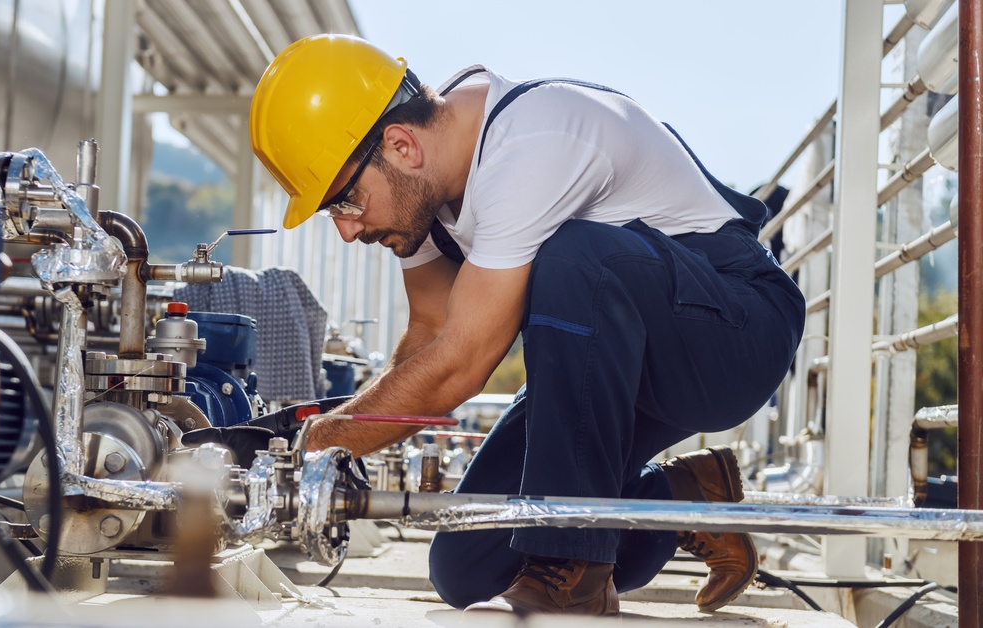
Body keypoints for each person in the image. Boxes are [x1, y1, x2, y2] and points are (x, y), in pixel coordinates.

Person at [246, 34, 805, 616]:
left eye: (345, 202)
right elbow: (429, 342)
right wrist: (322, 428)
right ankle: (684, 496)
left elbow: (460, 364)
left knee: (576, 254)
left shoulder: (532, 143)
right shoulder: (420, 196)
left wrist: (308, 447)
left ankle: (576, 572)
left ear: (401, 144)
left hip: (734, 333)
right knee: (467, 563)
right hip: (613, 365)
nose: (347, 229)